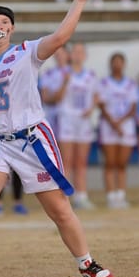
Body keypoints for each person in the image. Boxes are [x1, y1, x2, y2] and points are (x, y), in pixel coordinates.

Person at [0, 0, 115, 277]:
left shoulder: (25, 52)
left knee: (59, 208)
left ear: (12, 28)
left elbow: (60, 38)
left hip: (30, 139)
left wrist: (79, 1)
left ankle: (86, 262)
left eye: (4, 22)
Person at [56, 42, 98, 210]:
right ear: (70, 55)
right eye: (75, 52)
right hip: (67, 119)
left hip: (83, 121)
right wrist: (64, 82)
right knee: (66, 161)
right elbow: (56, 98)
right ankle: (64, 197)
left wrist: (91, 108)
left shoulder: (90, 75)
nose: (78, 55)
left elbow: (96, 96)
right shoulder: (63, 73)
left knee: (81, 161)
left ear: (85, 55)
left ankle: (81, 195)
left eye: (81, 52)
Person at [97, 53, 138, 209]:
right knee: (110, 162)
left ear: (124, 64)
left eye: (120, 62)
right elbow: (101, 105)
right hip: (109, 125)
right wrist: (113, 123)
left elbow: (133, 106)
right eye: (114, 62)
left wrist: (120, 122)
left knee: (122, 163)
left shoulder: (130, 83)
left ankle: (121, 195)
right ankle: (110, 196)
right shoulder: (104, 83)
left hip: (125, 126)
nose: (117, 65)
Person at [39, 45, 70, 131]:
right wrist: (57, 97)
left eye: (61, 54)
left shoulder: (73, 72)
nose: (59, 57)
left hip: (70, 119)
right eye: (57, 54)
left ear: (67, 54)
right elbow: (45, 98)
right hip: (51, 117)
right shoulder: (48, 73)